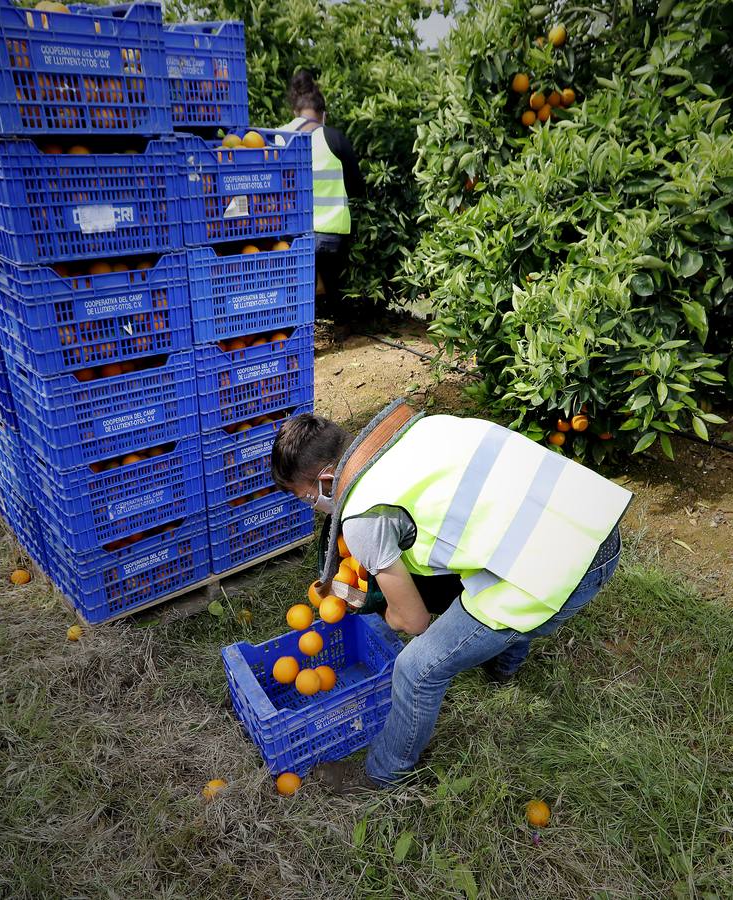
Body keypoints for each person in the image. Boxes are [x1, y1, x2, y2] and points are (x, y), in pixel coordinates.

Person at [271, 400, 634, 792]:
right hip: (592, 522)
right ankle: (501, 666)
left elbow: (414, 621)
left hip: (563, 571)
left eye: (307, 497)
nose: (315, 507)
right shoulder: (423, 428)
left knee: (416, 670)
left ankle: (381, 774)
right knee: (482, 586)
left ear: (327, 480)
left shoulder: (364, 515)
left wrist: (384, 610)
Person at [281, 69, 365, 316]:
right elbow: (358, 187)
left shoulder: (277, 136)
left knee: (297, 288)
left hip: (289, 235)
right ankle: (338, 317)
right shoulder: (333, 137)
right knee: (332, 280)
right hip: (330, 237)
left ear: (294, 113)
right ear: (323, 115)